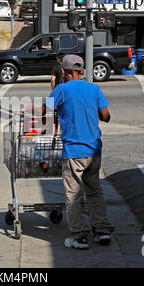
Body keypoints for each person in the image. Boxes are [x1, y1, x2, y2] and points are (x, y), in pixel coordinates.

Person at [43, 54, 114, 250]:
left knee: (73, 194)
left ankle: (80, 236)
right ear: (82, 71)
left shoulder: (60, 90)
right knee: (94, 191)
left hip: (74, 151)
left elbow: (45, 112)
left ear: (63, 72)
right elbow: (106, 115)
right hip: (94, 150)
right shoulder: (93, 88)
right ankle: (102, 231)